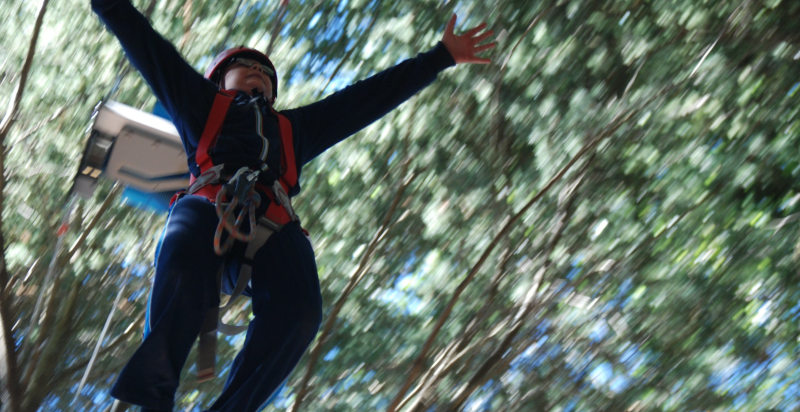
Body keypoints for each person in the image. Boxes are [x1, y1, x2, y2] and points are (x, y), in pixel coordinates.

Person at [91, 0, 495, 411]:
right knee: (180, 261)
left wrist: (440, 57)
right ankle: (153, 399)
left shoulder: (294, 130)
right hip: (209, 211)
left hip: (272, 227)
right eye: (245, 66)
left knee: (301, 311)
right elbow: (146, 47)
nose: (259, 74)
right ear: (218, 81)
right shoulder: (199, 103)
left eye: (266, 75)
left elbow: (365, 100)